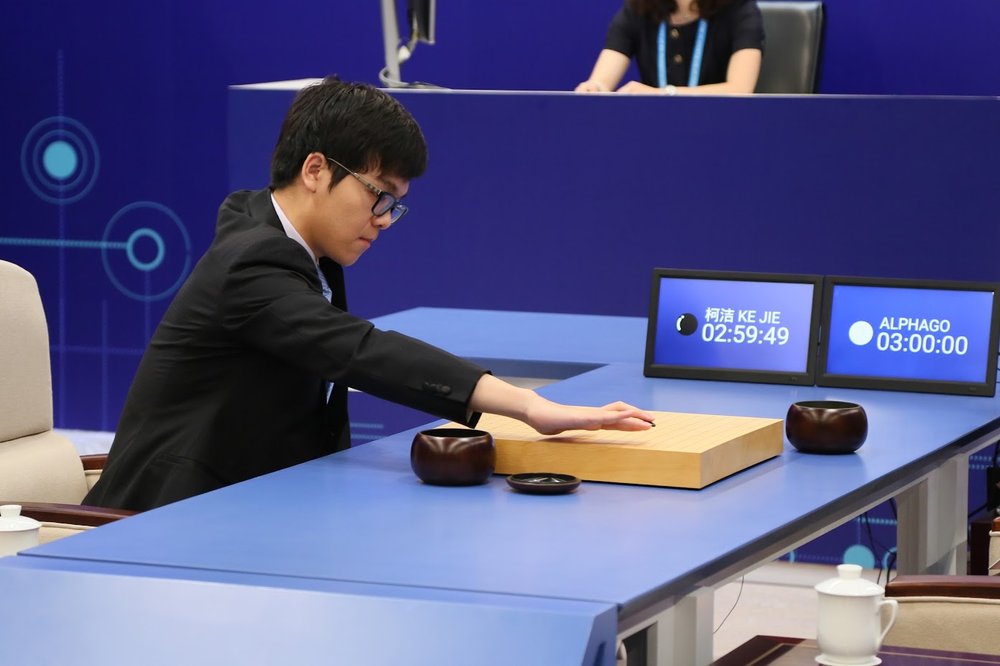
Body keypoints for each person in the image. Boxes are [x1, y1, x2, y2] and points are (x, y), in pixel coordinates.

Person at [84, 77, 654, 512]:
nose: (384, 220)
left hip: (257, 504)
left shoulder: (297, 244)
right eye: (378, 195)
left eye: (395, 205)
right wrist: (532, 406)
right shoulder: (250, 261)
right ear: (314, 170)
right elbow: (361, 351)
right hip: (164, 521)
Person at [575, 0, 764, 95]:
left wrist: (664, 94)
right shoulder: (639, 9)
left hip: (722, 129)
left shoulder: (740, 9)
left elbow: (740, 89)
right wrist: (595, 88)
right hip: (655, 131)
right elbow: (603, 78)